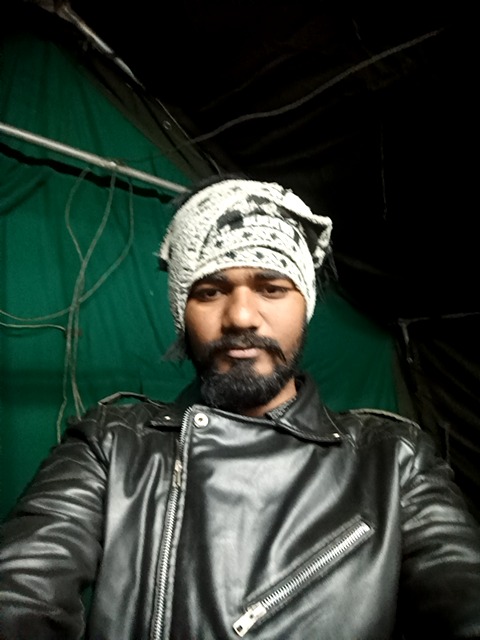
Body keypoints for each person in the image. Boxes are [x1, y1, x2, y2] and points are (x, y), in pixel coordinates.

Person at [1, 177, 480, 640]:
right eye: (210, 291)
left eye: (272, 287)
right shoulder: (111, 444)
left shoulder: (393, 461)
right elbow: (21, 590)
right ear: (181, 313)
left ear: (306, 304)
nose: (241, 317)